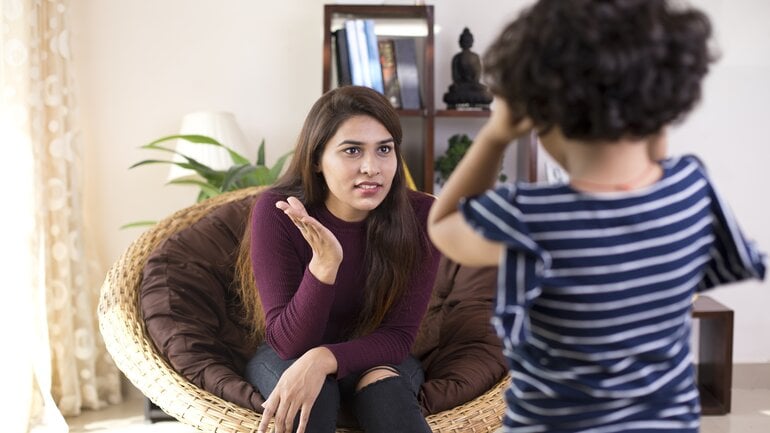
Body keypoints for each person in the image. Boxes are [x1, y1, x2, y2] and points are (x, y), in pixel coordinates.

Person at [427, 1, 766, 432]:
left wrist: (496, 134)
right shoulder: (692, 192)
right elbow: (659, 157)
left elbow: (442, 225)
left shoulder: (526, 219)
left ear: (541, 115)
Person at [236, 85, 439, 433]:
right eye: (352, 150)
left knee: (385, 392)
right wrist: (324, 265)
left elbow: (398, 336)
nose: (371, 167)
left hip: (376, 352)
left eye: (384, 150)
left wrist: (325, 358)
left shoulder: (421, 216)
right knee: (311, 399)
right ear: (316, 159)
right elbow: (289, 343)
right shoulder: (278, 211)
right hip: (287, 353)